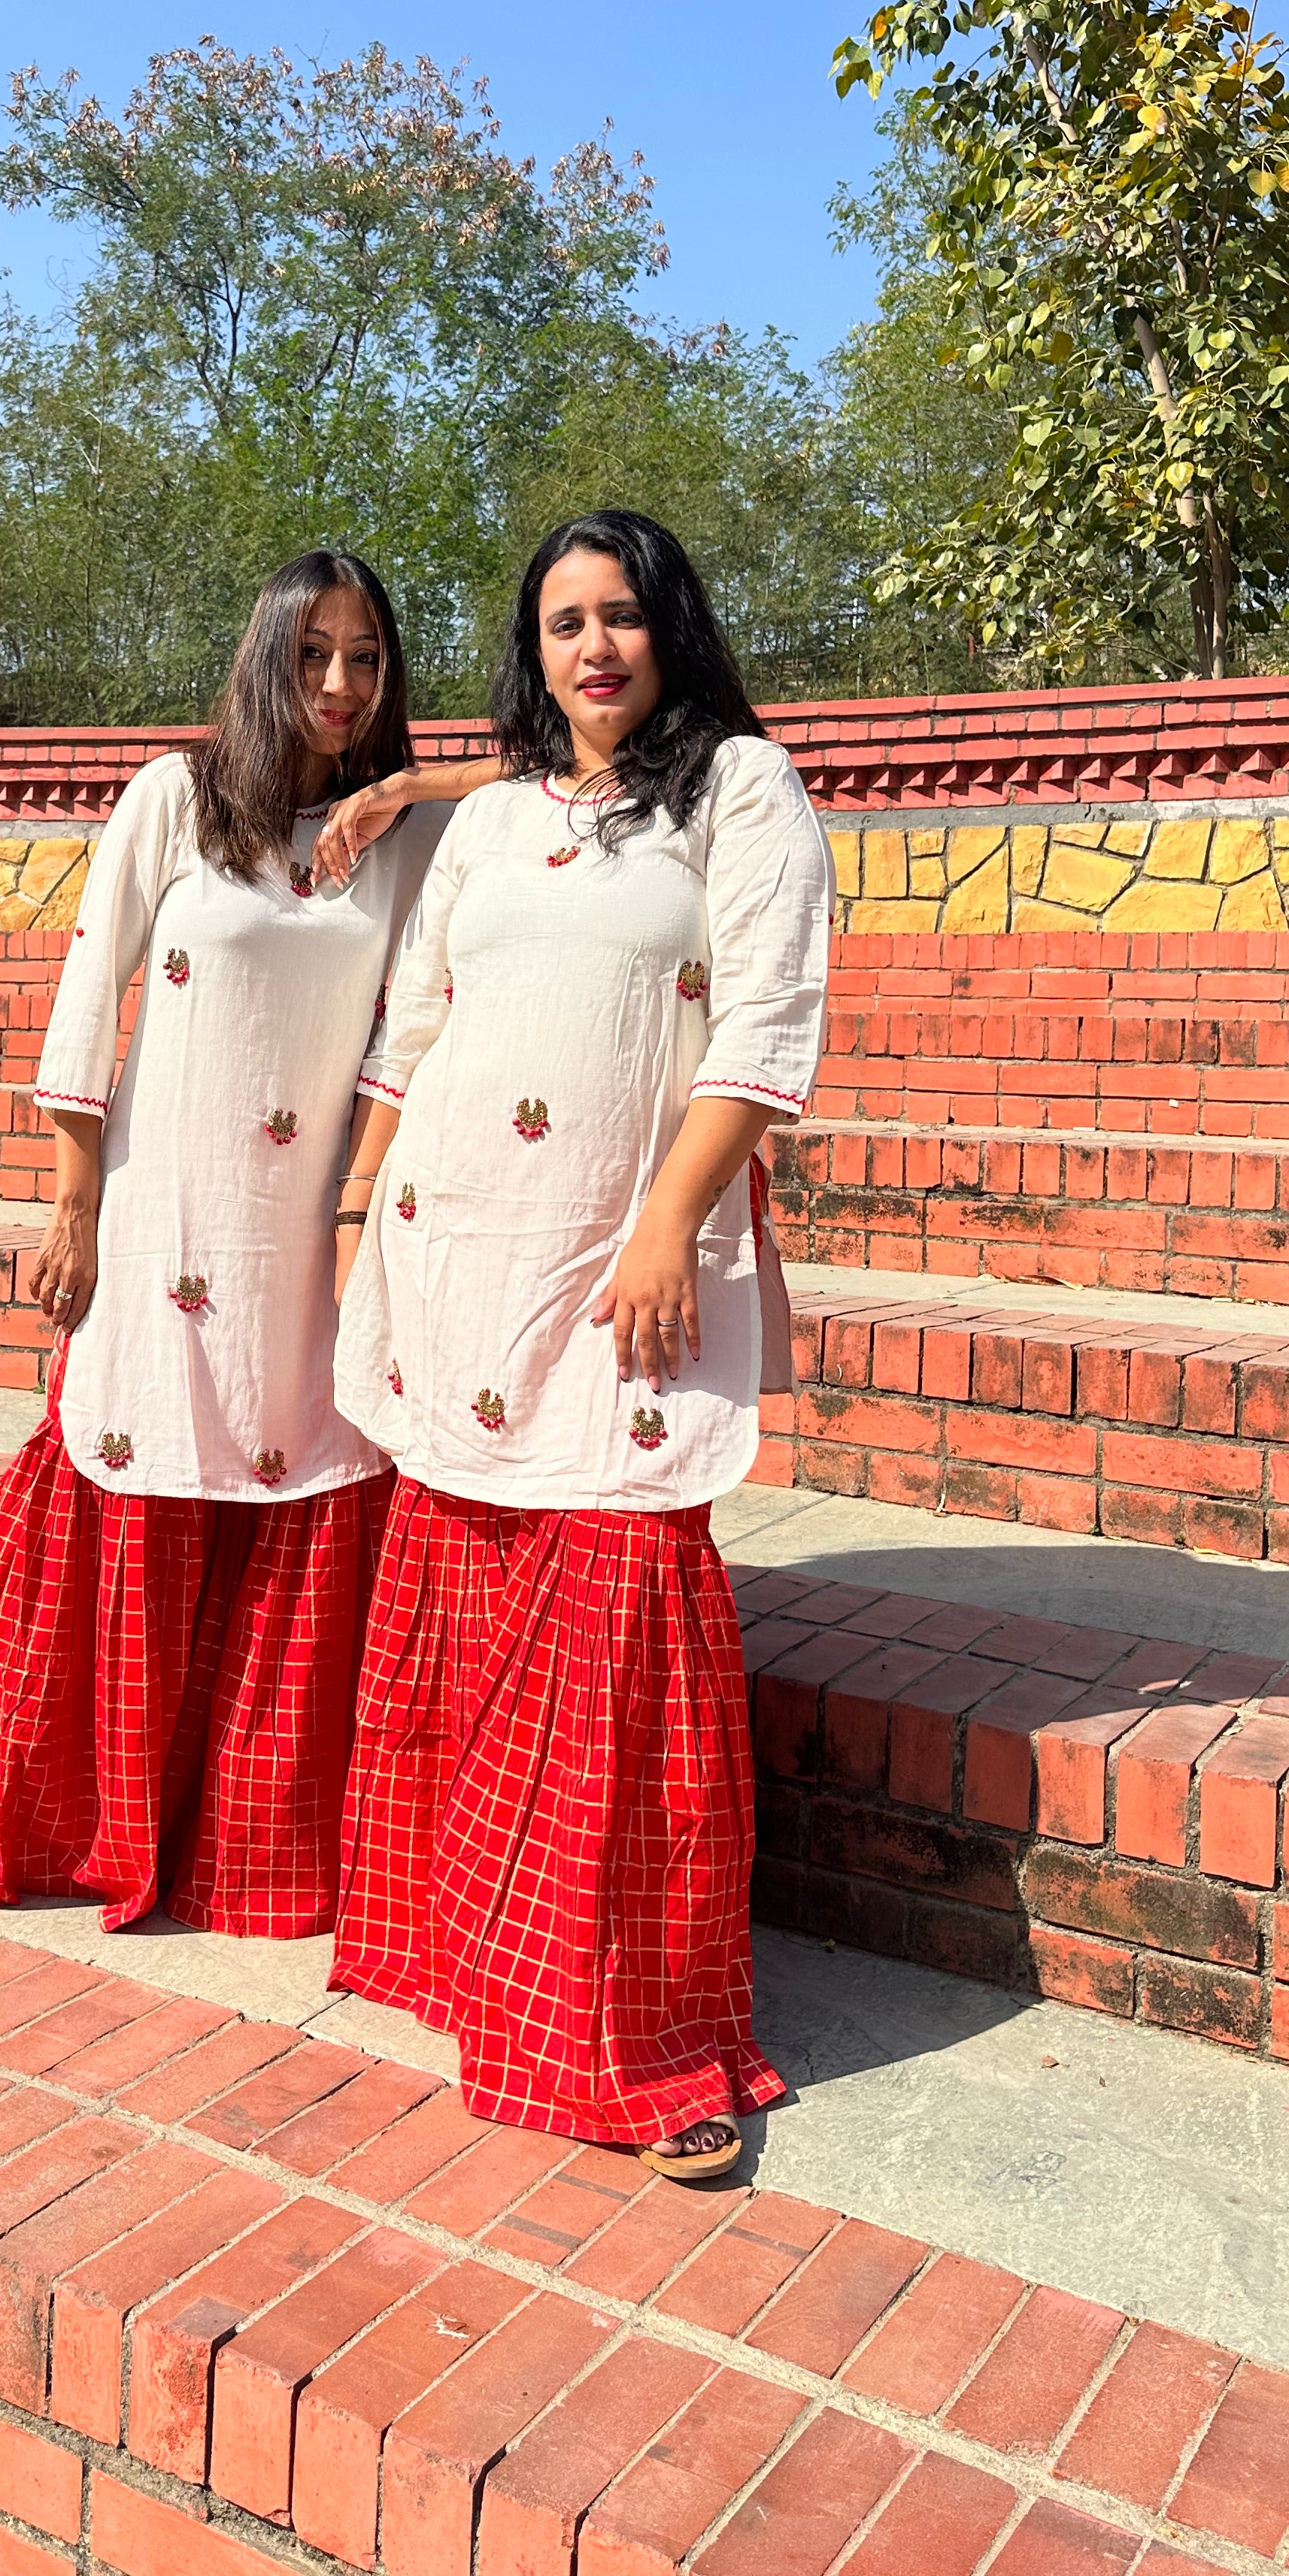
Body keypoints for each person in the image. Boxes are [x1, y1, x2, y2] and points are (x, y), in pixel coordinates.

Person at [0, 551, 487, 1932]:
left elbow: (554, 790)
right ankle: (57, 1823)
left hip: (312, 1229)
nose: (340, 684)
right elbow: (90, 994)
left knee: (298, 1474)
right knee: (128, 1464)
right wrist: (72, 1200)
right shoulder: (173, 800)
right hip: (162, 1213)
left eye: (367, 657)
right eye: (314, 653)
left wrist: (407, 788)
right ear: (265, 656)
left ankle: (248, 1852)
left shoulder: (411, 842)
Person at [329, 509, 833, 2178]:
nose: (594, 648)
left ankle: (633, 2032)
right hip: (459, 1249)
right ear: (531, 651)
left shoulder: (741, 793)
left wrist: (667, 1223)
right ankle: (461, 1963)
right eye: (563, 624)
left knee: (613, 1615)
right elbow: (415, 1026)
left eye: (622, 616)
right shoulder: (491, 824)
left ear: (672, 630)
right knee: (469, 1603)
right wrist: (363, 1210)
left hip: (624, 1266)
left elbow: (763, 1029)